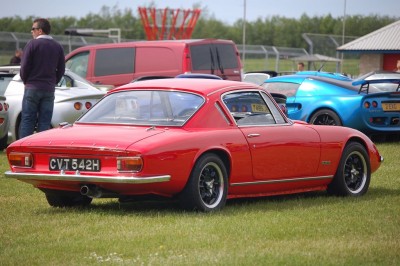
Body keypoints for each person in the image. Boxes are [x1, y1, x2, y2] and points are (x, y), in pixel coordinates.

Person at [19, 18, 65, 139]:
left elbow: (24, 67)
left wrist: (26, 81)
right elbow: (61, 69)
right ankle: (39, 149)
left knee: (28, 120)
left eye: (33, 29)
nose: (31, 32)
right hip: (49, 89)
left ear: (40, 30)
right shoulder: (58, 46)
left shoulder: (32, 44)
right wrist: (53, 82)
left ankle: (24, 149)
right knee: (45, 122)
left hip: (32, 88)